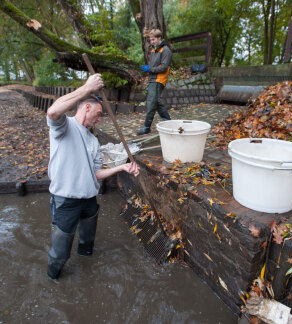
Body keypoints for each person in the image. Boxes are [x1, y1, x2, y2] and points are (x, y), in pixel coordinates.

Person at [46, 74, 140, 280]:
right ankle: (52, 279)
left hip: (89, 200)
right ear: (86, 107)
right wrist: (87, 88)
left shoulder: (93, 140)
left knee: (87, 245)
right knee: (60, 253)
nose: (99, 120)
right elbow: (52, 111)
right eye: (98, 114)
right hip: (66, 201)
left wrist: (121, 168)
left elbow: (96, 174)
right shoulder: (65, 126)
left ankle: (88, 274)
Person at [137, 29, 172, 135]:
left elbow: (164, 68)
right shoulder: (154, 51)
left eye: (153, 40)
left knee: (151, 103)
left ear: (159, 38)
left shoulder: (165, 50)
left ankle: (146, 127)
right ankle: (169, 122)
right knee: (156, 102)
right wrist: (149, 70)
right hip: (152, 80)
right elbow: (154, 67)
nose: (151, 42)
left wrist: (149, 69)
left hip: (159, 80)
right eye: (150, 40)